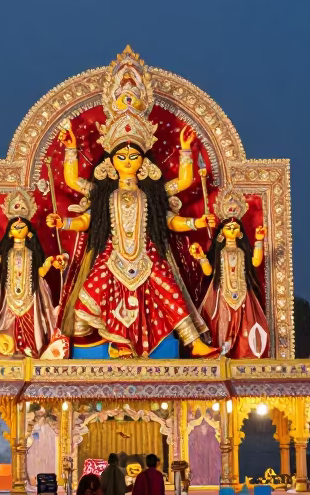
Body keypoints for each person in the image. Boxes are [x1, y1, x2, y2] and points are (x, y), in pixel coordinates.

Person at [47, 51, 216, 359]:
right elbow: (80, 201)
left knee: (170, 292)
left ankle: (194, 342)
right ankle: (117, 341)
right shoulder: (103, 192)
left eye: (133, 156)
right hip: (113, 255)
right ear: (111, 161)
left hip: (148, 255)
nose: (127, 161)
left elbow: (172, 212)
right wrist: (65, 222)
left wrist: (196, 221)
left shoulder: (152, 193)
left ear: (143, 161)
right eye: (121, 157)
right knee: (85, 302)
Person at [0, 189, 68, 358]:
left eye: (22, 226)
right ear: (9, 232)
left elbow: (40, 272)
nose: (19, 227)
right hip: (10, 296)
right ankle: (14, 351)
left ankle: (32, 352)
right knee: (11, 325)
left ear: (29, 232)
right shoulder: (7, 253)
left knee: (32, 322)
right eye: (15, 226)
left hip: (31, 295)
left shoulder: (31, 253)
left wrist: (51, 261)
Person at [189, 189, 270, 358]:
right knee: (221, 326)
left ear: (240, 232)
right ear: (222, 232)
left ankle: (245, 356)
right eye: (228, 227)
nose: (232, 230)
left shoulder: (242, 251)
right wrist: (202, 258)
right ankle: (221, 355)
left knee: (247, 326)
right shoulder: (219, 252)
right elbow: (208, 272)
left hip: (243, 294)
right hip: (221, 295)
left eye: (235, 228)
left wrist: (260, 241)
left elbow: (255, 262)